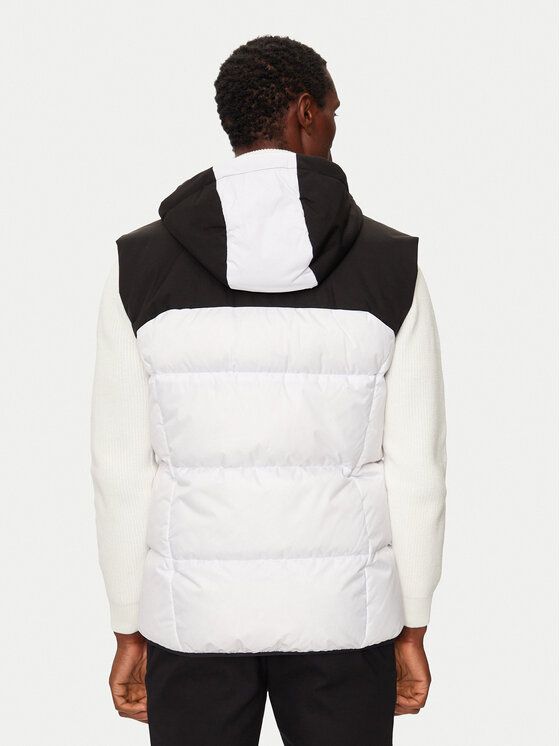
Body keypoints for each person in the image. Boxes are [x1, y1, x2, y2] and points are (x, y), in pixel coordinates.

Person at [90, 34, 447, 746]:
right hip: (346, 620)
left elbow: (121, 470)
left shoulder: (140, 267)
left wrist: (128, 624)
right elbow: (417, 472)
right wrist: (413, 622)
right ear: (305, 112)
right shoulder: (391, 266)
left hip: (192, 620)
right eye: (334, 112)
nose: (336, 128)